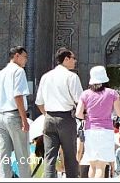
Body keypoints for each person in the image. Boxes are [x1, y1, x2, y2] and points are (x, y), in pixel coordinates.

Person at [35, 47, 83, 178]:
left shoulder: (46, 76)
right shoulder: (71, 77)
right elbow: (80, 100)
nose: (75, 61)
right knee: (70, 156)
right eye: (73, 58)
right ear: (66, 59)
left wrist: (47, 115)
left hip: (49, 118)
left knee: (49, 157)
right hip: (66, 119)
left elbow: (39, 101)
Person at [0, 45, 31, 179]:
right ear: (17, 56)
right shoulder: (18, 71)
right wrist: (24, 119)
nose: (26, 61)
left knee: (4, 156)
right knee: (22, 155)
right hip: (14, 115)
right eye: (25, 57)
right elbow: (18, 95)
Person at [75, 66, 120, 178]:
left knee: (92, 165)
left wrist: (87, 116)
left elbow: (78, 114)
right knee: (101, 166)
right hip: (106, 131)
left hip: (90, 131)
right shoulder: (112, 93)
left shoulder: (85, 94)